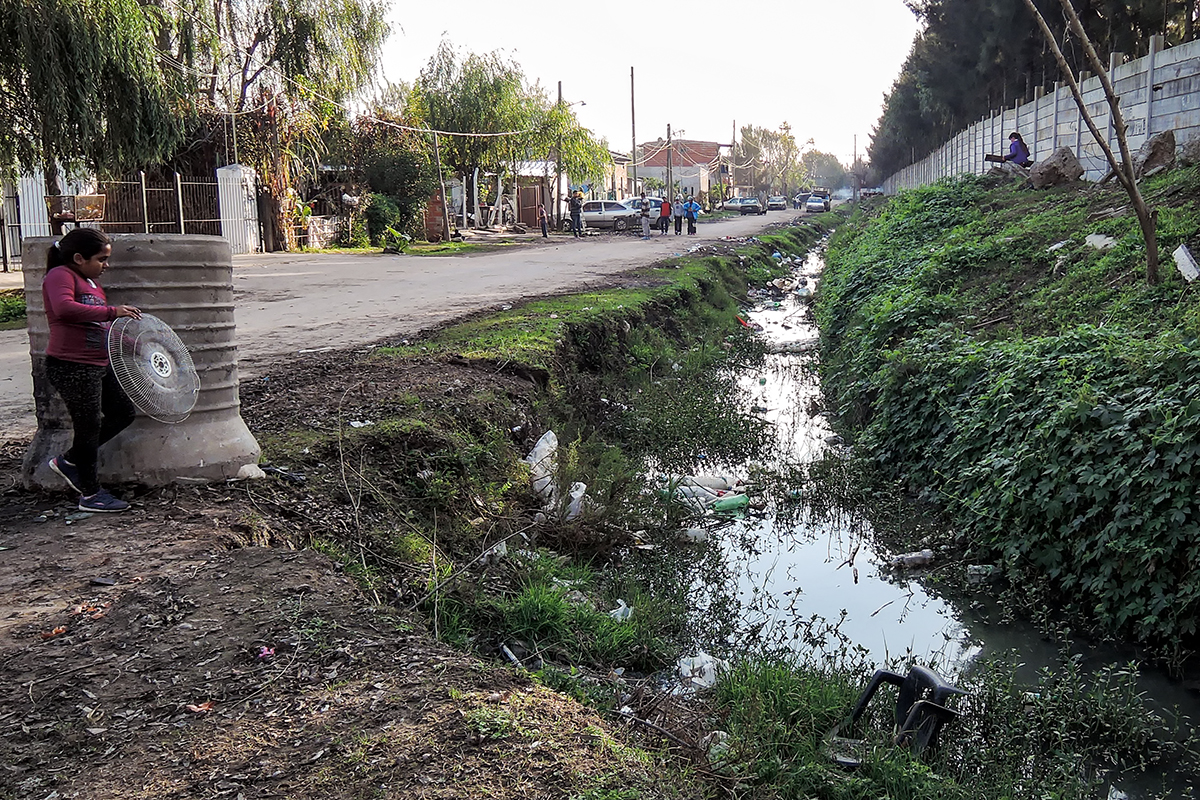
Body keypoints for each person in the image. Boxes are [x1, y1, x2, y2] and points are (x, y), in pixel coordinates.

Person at [43, 228, 142, 512]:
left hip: (97, 363)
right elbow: (64, 309)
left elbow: (99, 324)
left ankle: (70, 460)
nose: (106, 265)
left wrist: (133, 343)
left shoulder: (91, 283)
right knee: (89, 426)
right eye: (101, 259)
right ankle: (90, 494)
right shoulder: (60, 275)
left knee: (123, 413)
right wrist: (113, 312)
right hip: (71, 364)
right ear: (78, 257)